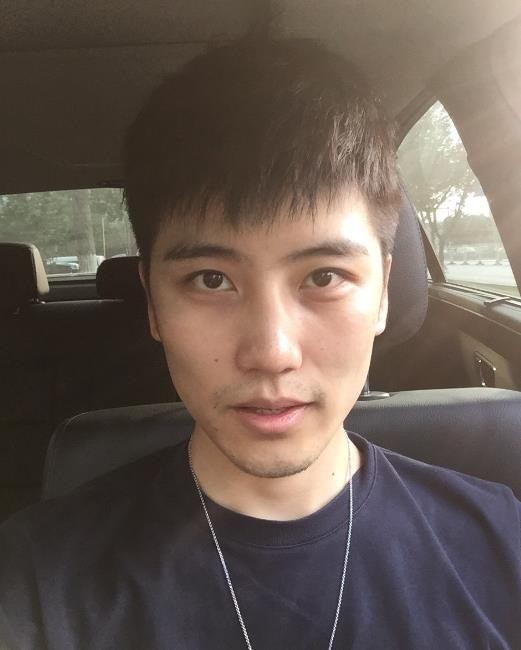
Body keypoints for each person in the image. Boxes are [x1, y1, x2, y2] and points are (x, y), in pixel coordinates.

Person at [0, 37, 520, 650]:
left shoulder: (504, 543)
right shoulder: (31, 582)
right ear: (153, 304)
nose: (272, 353)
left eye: (323, 277)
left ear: (383, 291)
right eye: (210, 279)